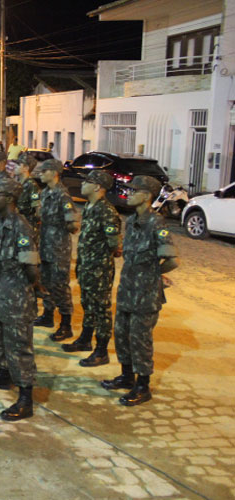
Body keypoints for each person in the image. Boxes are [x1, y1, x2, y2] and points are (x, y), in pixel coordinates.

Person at [101, 176, 178, 406]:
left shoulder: (157, 223)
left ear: (146, 196)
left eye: (134, 191)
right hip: (127, 289)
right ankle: (127, 376)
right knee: (122, 334)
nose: (128, 193)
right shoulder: (132, 220)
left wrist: (155, 274)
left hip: (145, 294)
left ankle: (143, 386)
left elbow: (172, 260)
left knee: (140, 339)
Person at [0, 176, 40, 421]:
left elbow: (31, 267)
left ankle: (26, 398)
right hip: (1, 290)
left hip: (16, 296)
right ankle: (4, 373)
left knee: (19, 345)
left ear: (9, 199)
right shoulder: (0, 221)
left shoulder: (20, 226)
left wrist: (24, 288)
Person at [63, 170, 121, 367]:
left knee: (101, 309)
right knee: (87, 304)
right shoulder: (89, 206)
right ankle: (85, 340)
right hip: (86, 266)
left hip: (99, 269)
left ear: (97, 187)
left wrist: (100, 257)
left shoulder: (107, 211)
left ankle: (101, 351)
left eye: (87, 182)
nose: (82, 184)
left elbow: (114, 244)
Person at [33, 159, 80, 341]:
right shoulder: (45, 193)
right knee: (45, 281)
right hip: (45, 243)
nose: (40, 174)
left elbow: (74, 225)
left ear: (54, 173)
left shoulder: (63, 196)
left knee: (60, 285)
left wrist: (61, 225)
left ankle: (66, 324)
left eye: (44, 171)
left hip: (58, 247)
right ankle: (47, 315)